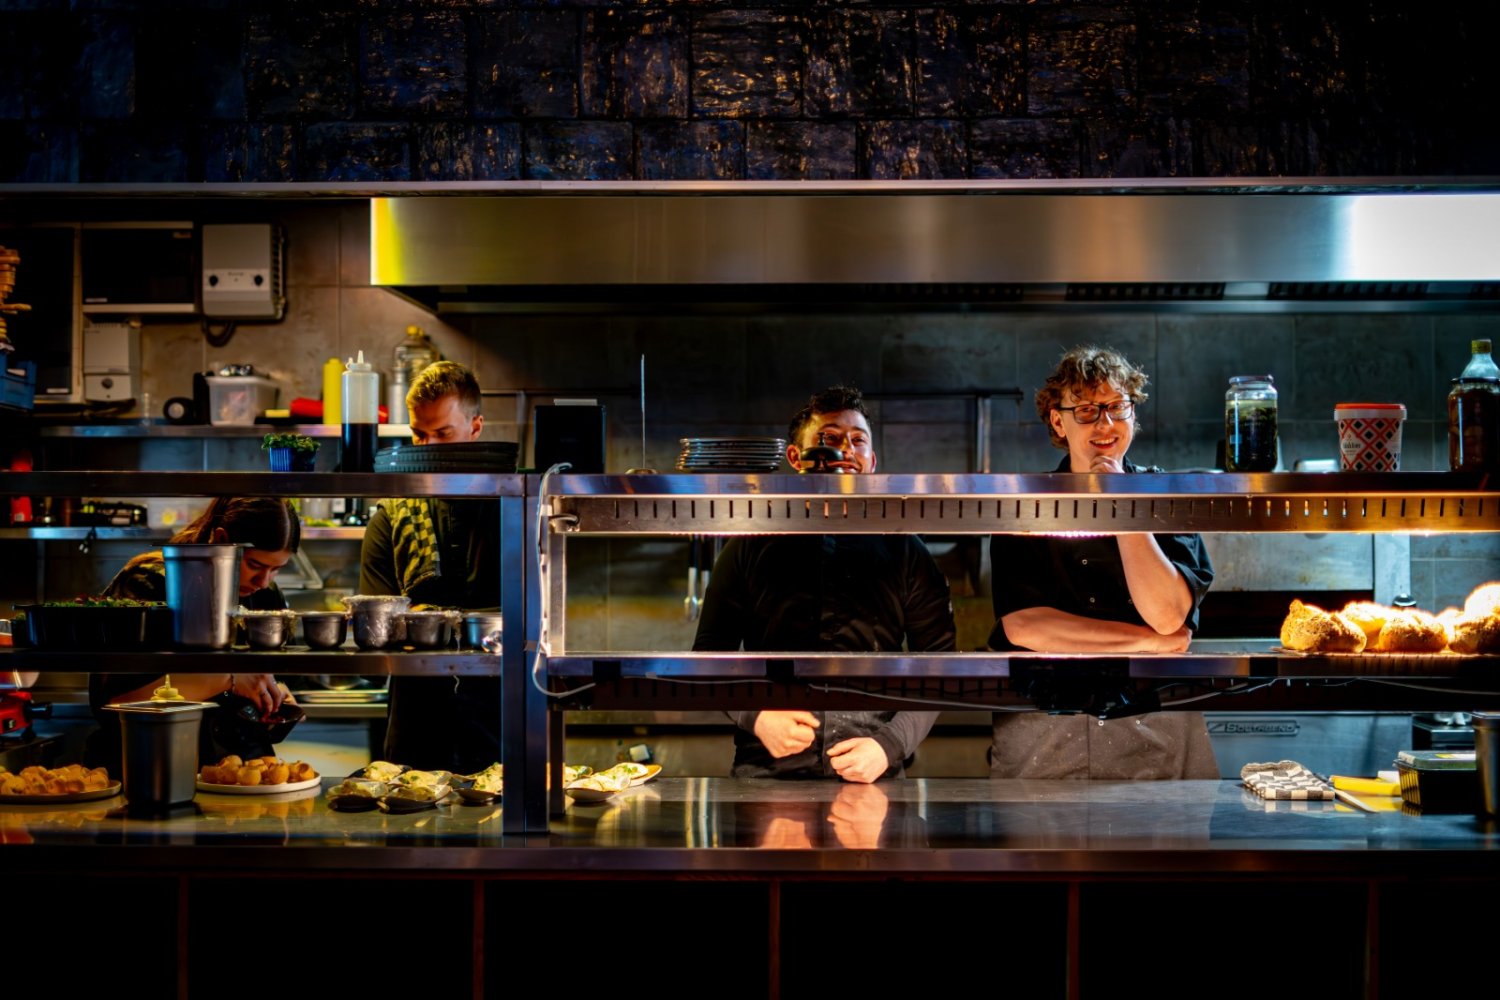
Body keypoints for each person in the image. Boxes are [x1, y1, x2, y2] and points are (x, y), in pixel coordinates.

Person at [692, 384, 955, 782]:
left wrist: (889, 745)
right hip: (768, 774)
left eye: (858, 440)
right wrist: (757, 716)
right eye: (828, 439)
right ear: (796, 458)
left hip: (873, 773)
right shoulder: (748, 545)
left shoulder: (906, 550)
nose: (845, 451)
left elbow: (939, 662)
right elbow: (710, 655)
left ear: (871, 461)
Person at [987, 345, 1218, 779]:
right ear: (1059, 421)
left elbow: (1167, 616)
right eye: (1087, 411)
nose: (1105, 424)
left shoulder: (1169, 496)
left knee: (1166, 827)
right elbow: (1026, 627)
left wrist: (1123, 504)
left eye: (1116, 407)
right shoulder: (1025, 502)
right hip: (1046, 729)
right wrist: (1147, 642)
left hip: (1155, 722)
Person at [86, 497, 300, 773]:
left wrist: (273, 695)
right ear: (221, 539)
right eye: (255, 565)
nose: (264, 581)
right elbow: (114, 702)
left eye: (276, 569)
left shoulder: (265, 596)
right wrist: (230, 680)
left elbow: (270, 677)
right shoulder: (148, 583)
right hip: (151, 766)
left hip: (242, 772)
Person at [359, 360, 502, 773]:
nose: (427, 448)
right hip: (416, 721)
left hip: (502, 715)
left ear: (476, 427)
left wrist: (425, 617)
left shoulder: (512, 508)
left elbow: (536, 616)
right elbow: (377, 626)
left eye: (443, 433)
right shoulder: (390, 517)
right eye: (419, 434)